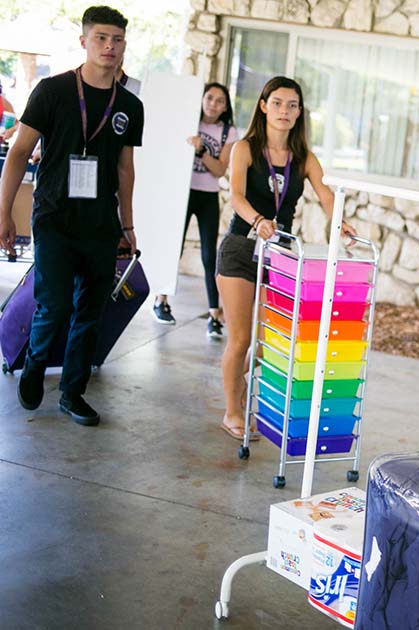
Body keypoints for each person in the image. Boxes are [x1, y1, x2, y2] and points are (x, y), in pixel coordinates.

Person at [0, 5, 143, 427]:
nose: (109, 46)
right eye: (101, 38)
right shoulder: (52, 91)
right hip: (54, 218)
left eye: (116, 39)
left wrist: (127, 225)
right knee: (55, 305)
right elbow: (20, 153)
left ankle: (72, 393)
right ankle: (35, 363)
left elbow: (124, 168)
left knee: (90, 313)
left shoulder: (129, 105)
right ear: (84, 41)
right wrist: (4, 214)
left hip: (100, 225)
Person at [216, 76, 354, 440]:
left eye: (292, 105)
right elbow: (237, 197)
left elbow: (326, 196)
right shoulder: (244, 148)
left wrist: (339, 222)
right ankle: (233, 412)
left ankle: (238, 390)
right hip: (241, 248)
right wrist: (259, 220)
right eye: (277, 103)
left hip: (279, 255)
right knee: (240, 339)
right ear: (263, 105)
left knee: (265, 343)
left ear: (300, 113)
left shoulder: (304, 158)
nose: (284, 111)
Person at [151, 83, 237, 338]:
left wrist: (200, 150)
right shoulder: (188, 121)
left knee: (210, 256)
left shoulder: (228, 131)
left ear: (225, 106)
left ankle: (214, 315)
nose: (213, 104)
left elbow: (220, 170)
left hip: (208, 196)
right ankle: (160, 301)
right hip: (183, 192)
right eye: (209, 98)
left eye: (219, 101)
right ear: (201, 99)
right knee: (173, 248)